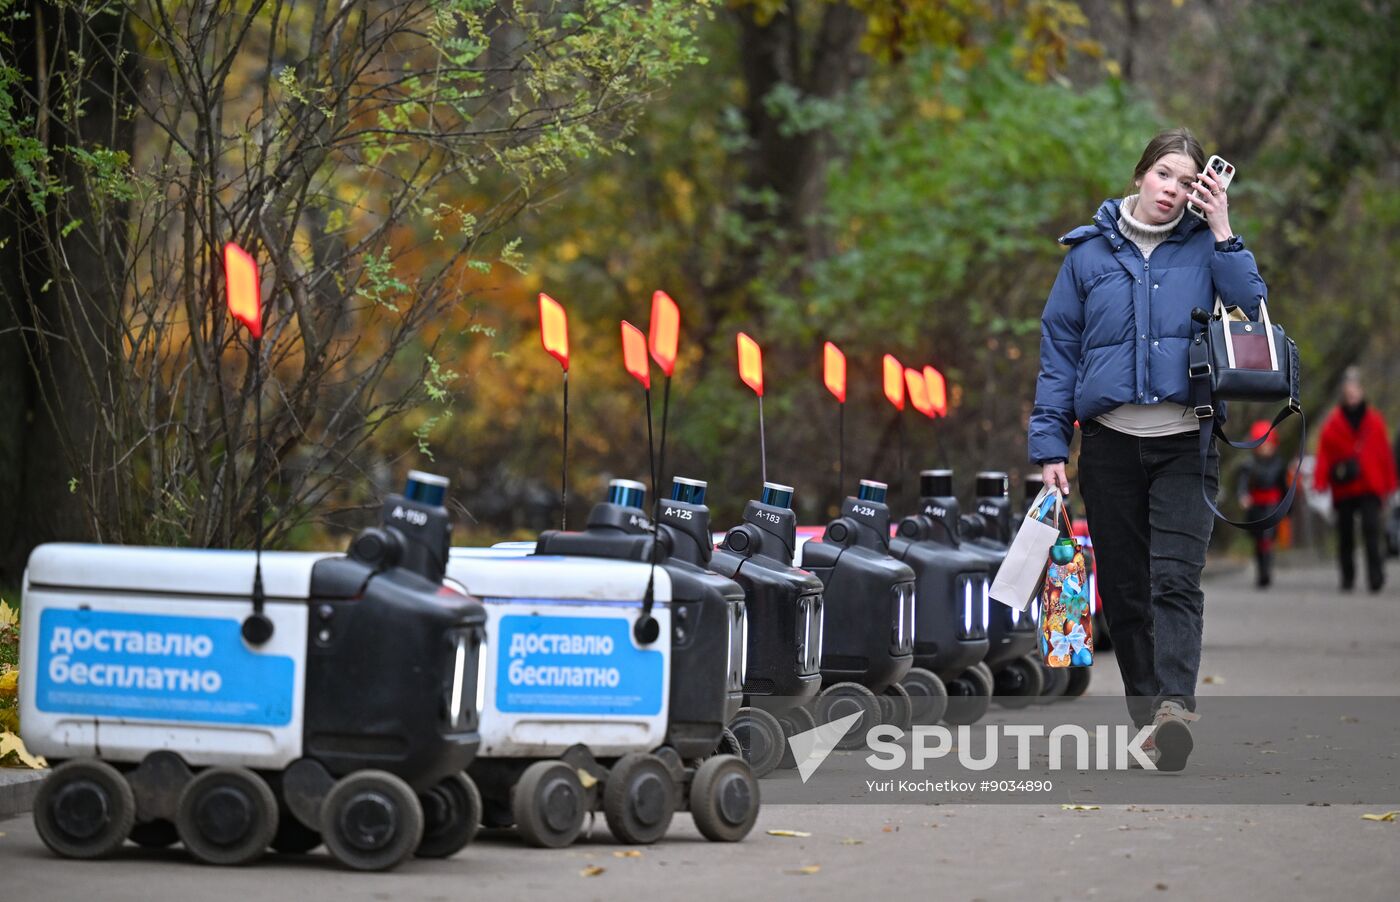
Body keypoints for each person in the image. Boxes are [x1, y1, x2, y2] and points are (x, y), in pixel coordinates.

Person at [1028, 127, 1268, 771]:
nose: (1174, 189)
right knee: (1128, 593)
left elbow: (1251, 306)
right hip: (1107, 448)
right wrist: (1051, 443)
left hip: (1185, 443)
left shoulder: (1206, 249)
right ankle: (1148, 718)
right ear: (1140, 175)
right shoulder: (1085, 256)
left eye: (1189, 181)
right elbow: (1060, 356)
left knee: (1175, 580)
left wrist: (1222, 228)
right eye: (1166, 174)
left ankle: (1174, 712)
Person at [1313, 368, 1396, 592]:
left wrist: (1390, 485)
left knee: (1371, 529)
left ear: (1361, 392)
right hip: (1345, 486)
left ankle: (1376, 575)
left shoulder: (1375, 421)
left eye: (1354, 392)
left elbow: (1384, 454)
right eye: (1348, 393)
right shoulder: (1333, 423)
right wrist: (1319, 481)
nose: (1351, 397)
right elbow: (1324, 454)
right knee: (1346, 534)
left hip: (1370, 483)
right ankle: (1348, 576)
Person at [1235, 420, 1291, 588]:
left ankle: (1267, 570)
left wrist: (1287, 506)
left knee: (1268, 539)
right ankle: (1261, 569)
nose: (1266, 448)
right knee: (1259, 540)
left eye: (1269, 444)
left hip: (1272, 506)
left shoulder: (1279, 464)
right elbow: (1242, 484)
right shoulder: (1248, 465)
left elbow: (1285, 488)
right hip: (1256, 507)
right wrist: (1243, 496)